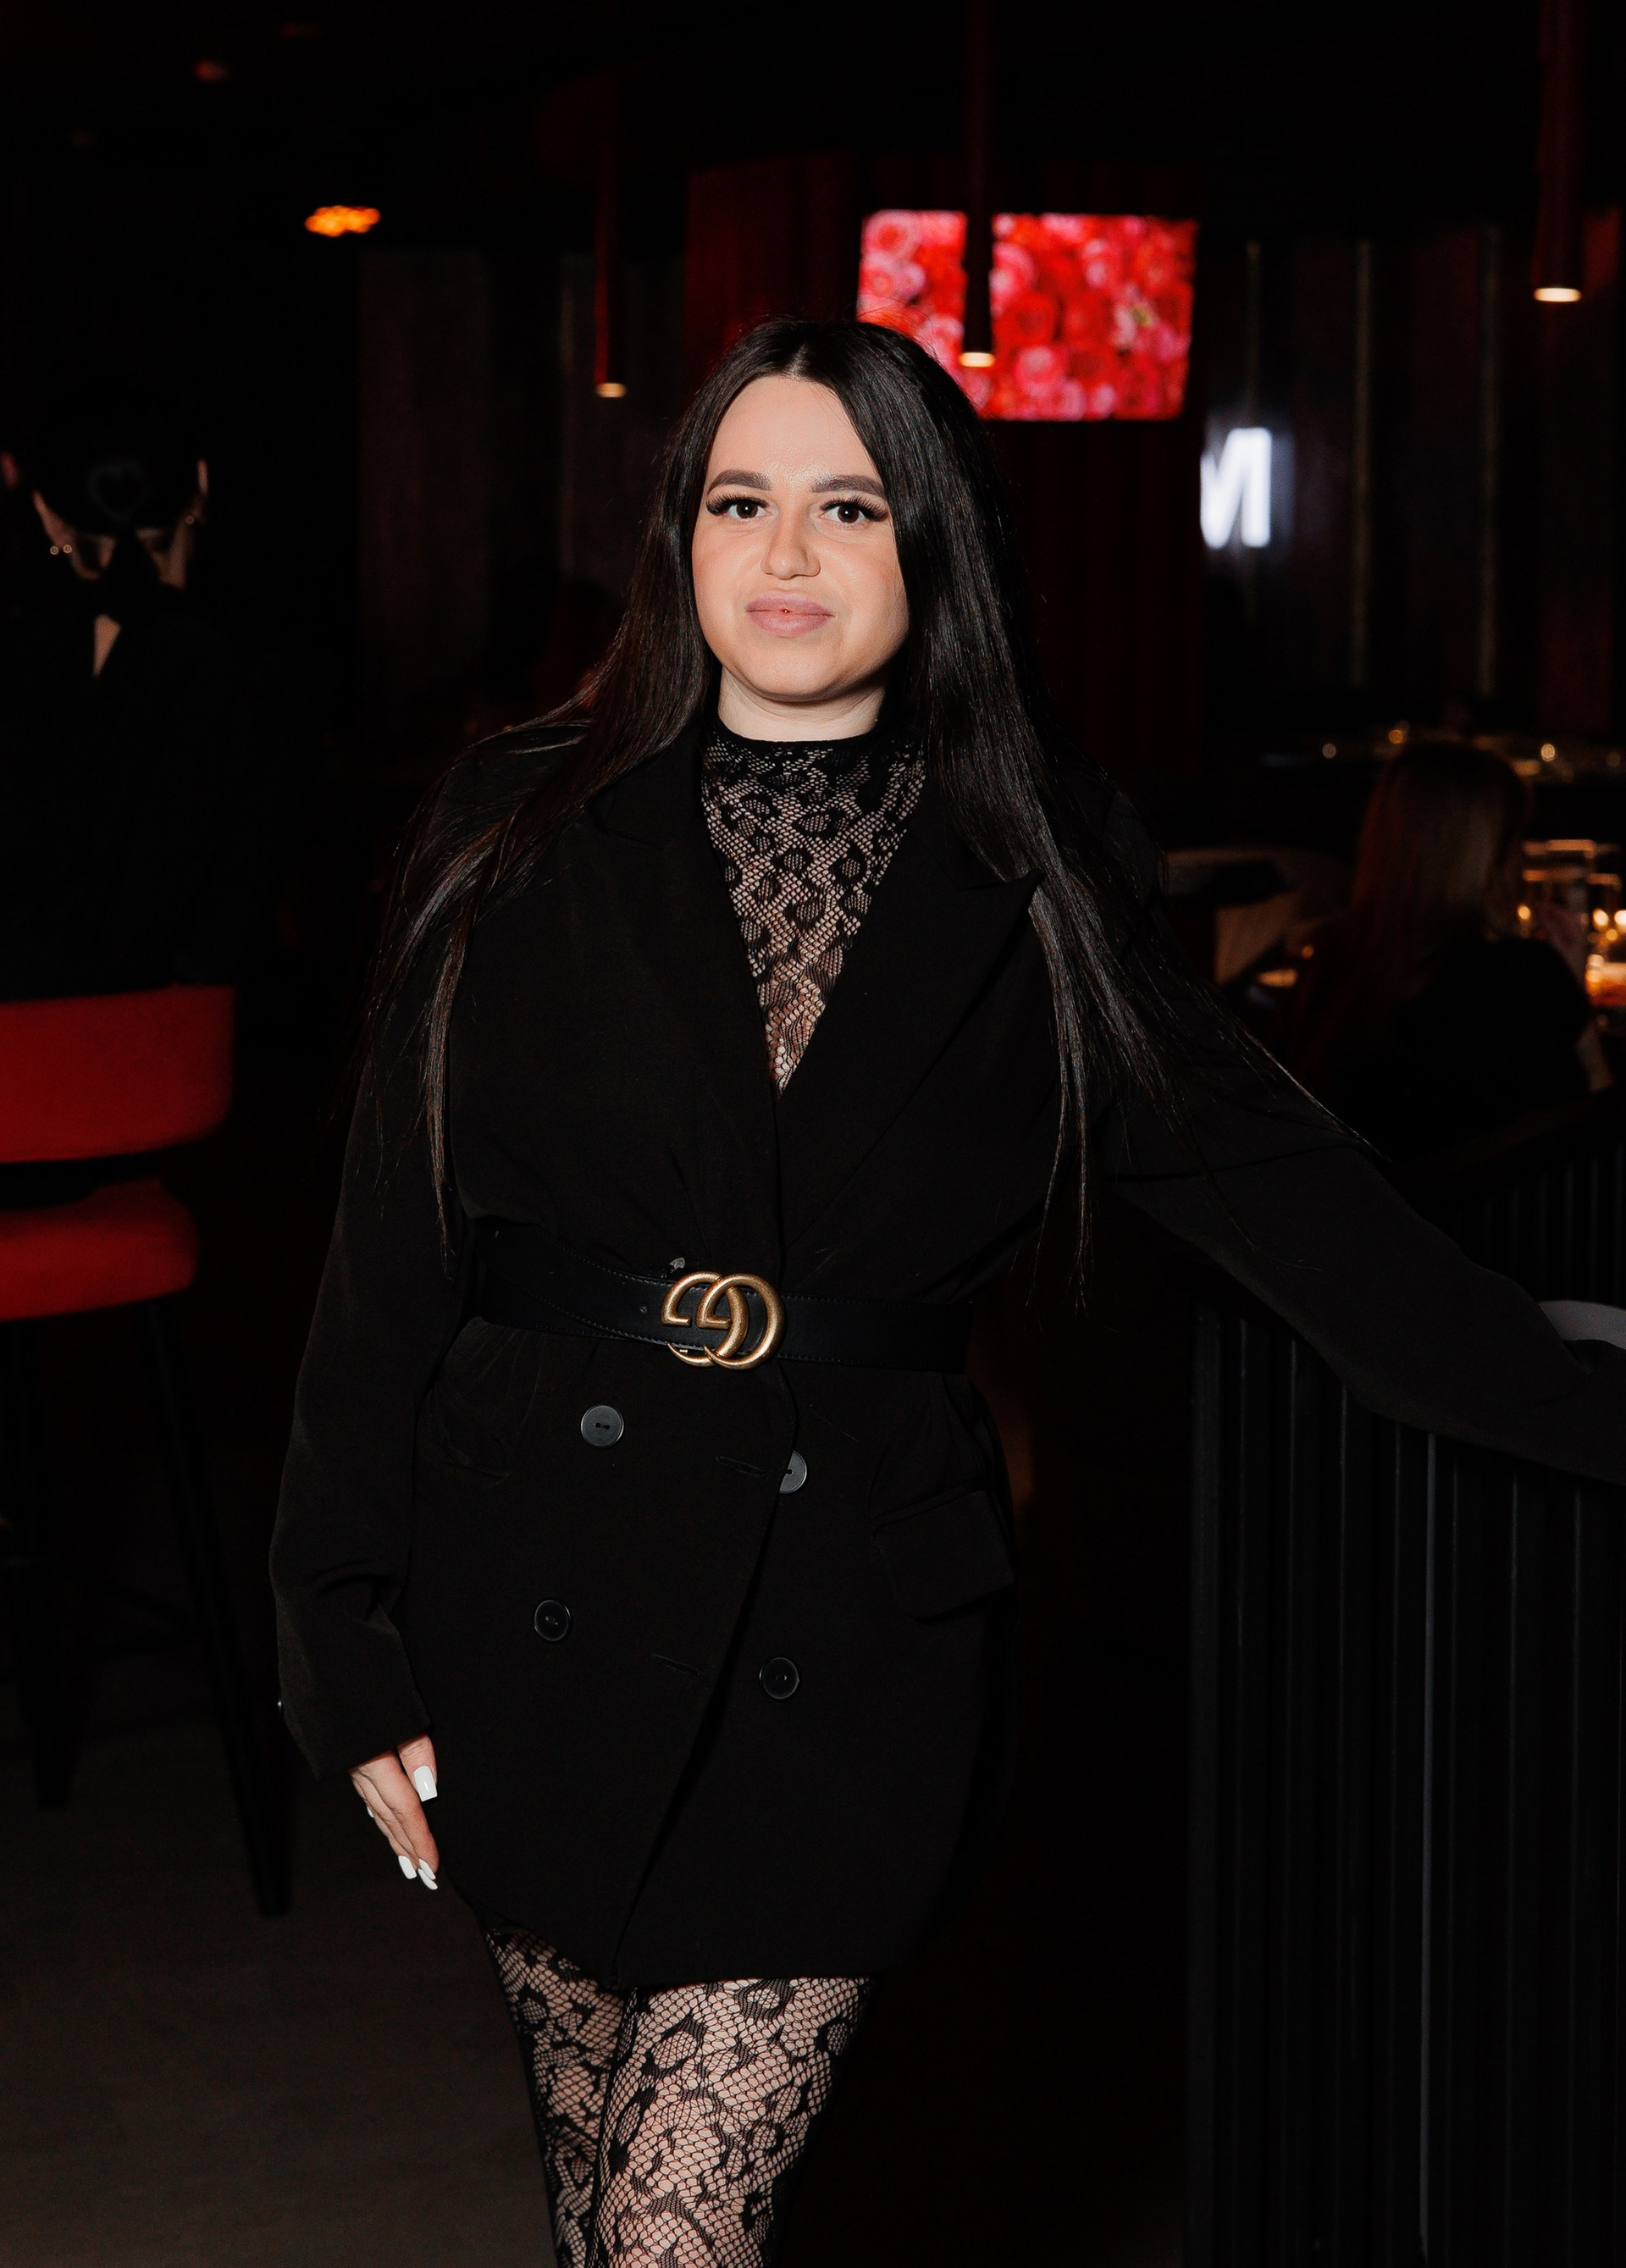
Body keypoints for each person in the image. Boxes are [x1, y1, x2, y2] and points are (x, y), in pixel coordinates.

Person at [271, 322, 1626, 2268]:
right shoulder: (520, 819)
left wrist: (1576, 1405)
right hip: (534, 1591)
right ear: (677, 538)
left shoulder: (1039, 856)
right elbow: (390, 1241)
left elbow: (1297, 1202)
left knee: (669, 2238)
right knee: (597, 2209)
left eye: (851, 506)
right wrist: (337, 1623)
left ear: (939, 545)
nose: (785, 553)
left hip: (846, 1627)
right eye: (739, 501)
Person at [0, 384, 308, 1003]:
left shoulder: (17, 664)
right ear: (200, 487)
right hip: (162, 1051)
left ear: (48, 515)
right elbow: (223, 945)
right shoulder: (262, 683)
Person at [1288, 738, 1610, 1156]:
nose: (1522, 858)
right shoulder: (1517, 978)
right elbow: (1595, 1133)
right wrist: (1572, 995)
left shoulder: (1331, 961)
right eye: (1516, 840)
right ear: (1489, 855)